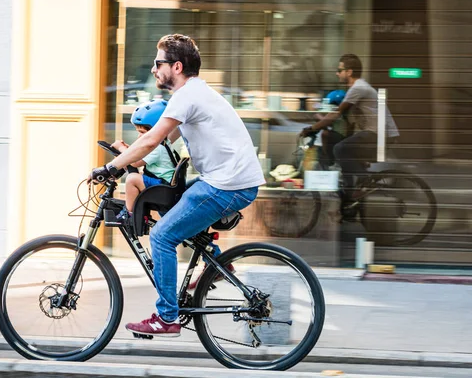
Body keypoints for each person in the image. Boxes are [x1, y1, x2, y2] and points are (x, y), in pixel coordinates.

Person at [89, 34, 266, 337]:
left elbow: (151, 140)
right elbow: (159, 144)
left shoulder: (187, 96)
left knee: (161, 236)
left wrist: (110, 168)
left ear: (177, 66)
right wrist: (125, 157)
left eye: (158, 64)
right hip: (228, 180)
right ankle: (218, 265)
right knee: (177, 204)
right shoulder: (192, 94)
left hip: (228, 184)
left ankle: (166, 316)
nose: (154, 70)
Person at [301, 53, 399, 204]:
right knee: (339, 144)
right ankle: (350, 200)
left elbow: (336, 113)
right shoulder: (356, 90)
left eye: (339, 70)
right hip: (374, 134)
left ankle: (361, 181)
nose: (337, 73)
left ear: (349, 72)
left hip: (380, 136)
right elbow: (350, 123)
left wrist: (312, 128)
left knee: (340, 149)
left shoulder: (358, 88)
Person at [110, 99, 177, 225]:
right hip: (161, 184)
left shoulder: (157, 148)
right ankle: (137, 210)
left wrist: (121, 148)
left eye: (143, 133)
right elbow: (137, 154)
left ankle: (129, 214)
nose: (140, 137)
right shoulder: (162, 144)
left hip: (162, 187)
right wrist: (129, 150)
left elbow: (135, 161)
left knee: (132, 179)